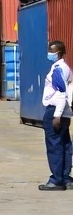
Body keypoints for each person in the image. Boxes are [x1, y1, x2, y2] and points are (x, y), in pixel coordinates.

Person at [40, 40, 73, 191]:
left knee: (54, 145)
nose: (49, 54)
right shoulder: (67, 68)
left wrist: (57, 115)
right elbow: (69, 91)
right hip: (65, 110)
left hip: (55, 110)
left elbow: (61, 92)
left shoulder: (58, 69)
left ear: (57, 53)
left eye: (51, 51)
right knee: (65, 143)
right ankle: (65, 177)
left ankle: (56, 180)